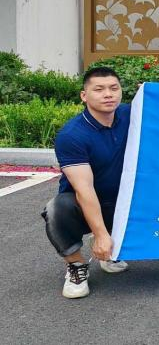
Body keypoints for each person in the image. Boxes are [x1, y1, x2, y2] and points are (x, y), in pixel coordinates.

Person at [41, 67, 131, 298]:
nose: (108, 94)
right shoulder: (72, 135)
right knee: (57, 209)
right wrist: (100, 234)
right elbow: (84, 189)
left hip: (123, 200)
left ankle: (113, 248)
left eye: (114, 88)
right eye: (99, 89)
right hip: (85, 204)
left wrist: (150, 93)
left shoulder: (131, 115)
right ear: (84, 95)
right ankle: (76, 265)